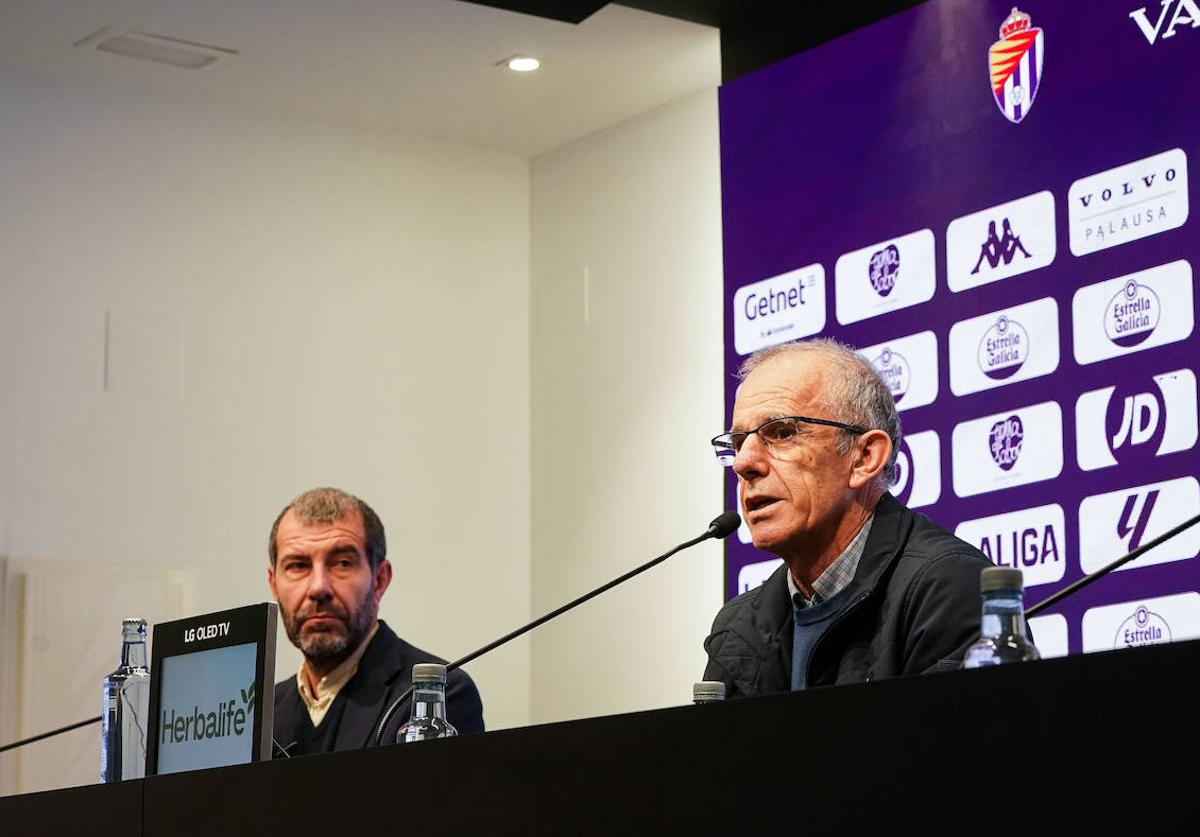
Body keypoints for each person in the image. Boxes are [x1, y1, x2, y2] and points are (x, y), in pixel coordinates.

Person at [703, 339, 991, 696]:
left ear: (865, 457)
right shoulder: (738, 625)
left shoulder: (946, 587)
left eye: (781, 432)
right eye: (737, 443)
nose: (744, 463)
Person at [268, 487, 484, 755]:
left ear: (380, 579)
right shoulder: (263, 713)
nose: (318, 588)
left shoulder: (435, 697)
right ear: (273, 583)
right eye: (298, 565)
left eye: (342, 563)